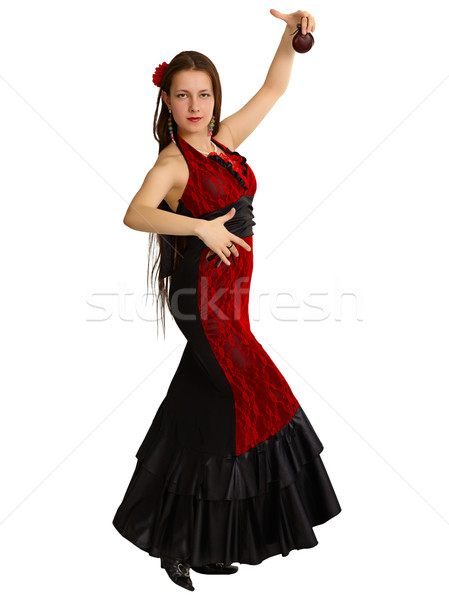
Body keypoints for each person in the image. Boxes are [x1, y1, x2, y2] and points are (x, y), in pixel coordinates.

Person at [112, 8, 341, 593]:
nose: (195, 106)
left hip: (233, 302)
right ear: (166, 101)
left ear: (214, 98)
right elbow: (135, 214)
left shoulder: (225, 141)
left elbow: (275, 87)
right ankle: (187, 540)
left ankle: (189, 543)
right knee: (251, 398)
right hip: (205, 305)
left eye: (204, 94)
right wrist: (202, 229)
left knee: (205, 417)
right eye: (183, 96)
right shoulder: (172, 163)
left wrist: (290, 37)